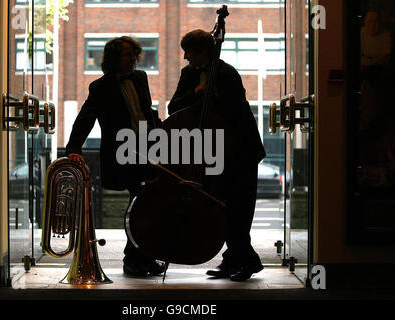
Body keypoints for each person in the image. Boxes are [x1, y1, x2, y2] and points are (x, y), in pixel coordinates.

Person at [167, 29, 266, 282]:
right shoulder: (189, 74)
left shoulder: (227, 73)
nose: (186, 57)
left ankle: (245, 260)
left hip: (239, 149)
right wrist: (198, 92)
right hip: (214, 150)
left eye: (189, 52)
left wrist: (216, 96)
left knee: (239, 208)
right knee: (224, 206)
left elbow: (236, 112)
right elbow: (174, 106)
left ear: (203, 51)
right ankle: (234, 259)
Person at [65, 36, 165, 277]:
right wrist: (73, 148)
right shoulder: (100, 87)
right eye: (126, 55)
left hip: (148, 149)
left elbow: (146, 113)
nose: (132, 59)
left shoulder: (141, 78)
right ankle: (135, 260)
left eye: (134, 54)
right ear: (114, 59)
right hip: (125, 151)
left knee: (147, 205)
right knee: (139, 205)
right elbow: (86, 118)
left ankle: (141, 258)